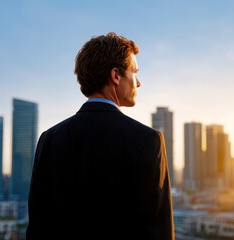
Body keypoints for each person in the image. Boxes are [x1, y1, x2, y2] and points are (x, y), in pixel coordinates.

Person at [26, 32, 175, 240]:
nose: (139, 82)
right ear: (116, 76)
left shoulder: (49, 139)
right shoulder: (147, 141)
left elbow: (37, 229)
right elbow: (159, 233)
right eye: (134, 72)